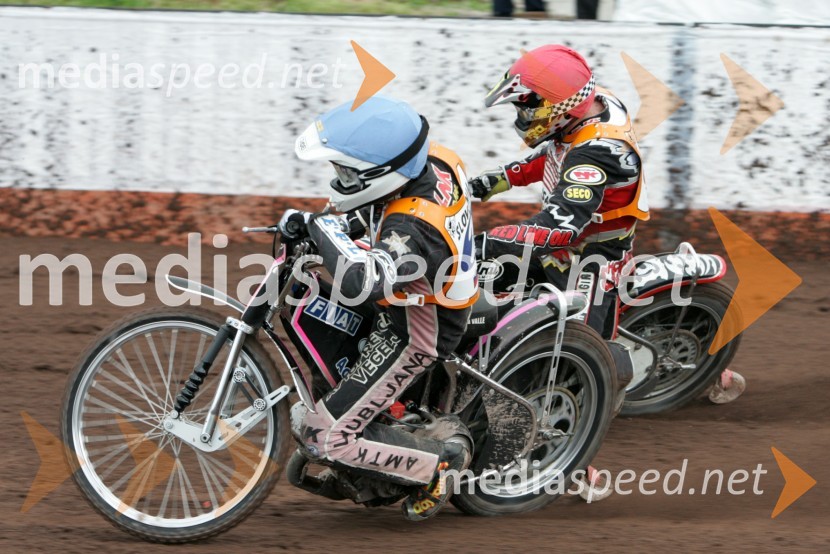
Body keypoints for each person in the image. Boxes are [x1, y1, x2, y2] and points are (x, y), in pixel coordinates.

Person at [469, 44, 745, 404]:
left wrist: (485, 242)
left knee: (576, 356)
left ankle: (584, 419)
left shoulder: (596, 152)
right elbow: (555, 154)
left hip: (593, 258)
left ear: (561, 107)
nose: (524, 115)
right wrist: (486, 182)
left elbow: (557, 228)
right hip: (569, 245)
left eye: (528, 107)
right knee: (482, 278)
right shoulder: (591, 107)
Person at [280, 95, 478, 521]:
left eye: (348, 173)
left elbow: (364, 281)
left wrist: (321, 226)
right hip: (415, 294)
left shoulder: (415, 225)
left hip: (418, 329)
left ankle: (439, 465)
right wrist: (334, 226)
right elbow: (376, 213)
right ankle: (373, 450)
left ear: (382, 173)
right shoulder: (430, 158)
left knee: (323, 436)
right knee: (328, 362)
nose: (340, 179)